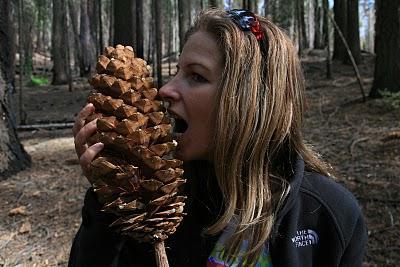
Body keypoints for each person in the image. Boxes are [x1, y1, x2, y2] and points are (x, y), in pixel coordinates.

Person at [69, 8, 367, 267]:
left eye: (196, 76)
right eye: (176, 72)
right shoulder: (158, 205)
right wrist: (113, 191)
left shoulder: (329, 215)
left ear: (251, 102)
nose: (165, 90)